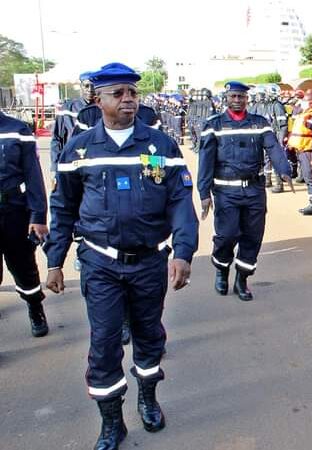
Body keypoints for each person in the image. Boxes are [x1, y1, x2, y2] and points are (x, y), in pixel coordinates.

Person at [44, 62, 198, 449]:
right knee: (105, 342)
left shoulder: (160, 145)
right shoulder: (79, 149)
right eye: (119, 93)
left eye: (132, 92)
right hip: (100, 263)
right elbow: (62, 209)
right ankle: (112, 422)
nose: (128, 99)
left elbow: (180, 199)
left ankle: (148, 399)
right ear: (98, 100)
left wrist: (183, 251)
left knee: (149, 336)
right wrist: (54, 261)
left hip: (148, 261)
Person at [198, 81, 292, 301]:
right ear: (226, 98)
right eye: (233, 96)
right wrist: (204, 193)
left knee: (252, 237)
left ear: (247, 99)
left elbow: (273, 147)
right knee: (226, 235)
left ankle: (242, 279)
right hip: (225, 191)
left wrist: (284, 169)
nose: (237, 100)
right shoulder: (214, 124)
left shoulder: (259, 123)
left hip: (254, 191)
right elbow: (205, 161)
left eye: (241, 97)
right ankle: (222, 270)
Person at [0, 111, 49, 338]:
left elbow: (33, 175)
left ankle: (34, 306)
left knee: (23, 267)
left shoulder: (18, 129)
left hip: (14, 211)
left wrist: (38, 216)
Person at [287, 92, 312, 215]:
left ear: (311, 103)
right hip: (302, 150)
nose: (301, 103)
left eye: (304, 101)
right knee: (308, 177)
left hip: (309, 151)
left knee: (311, 177)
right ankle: (311, 202)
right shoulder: (304, 115)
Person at [51, 71, 95, 172]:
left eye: (93, 86)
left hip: (95, 163)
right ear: (81, 86)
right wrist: (55, 167)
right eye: (86, 86)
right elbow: (57, 139)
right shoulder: (67, 109)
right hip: (72, 162)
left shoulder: (103, 108)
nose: (90, 90)